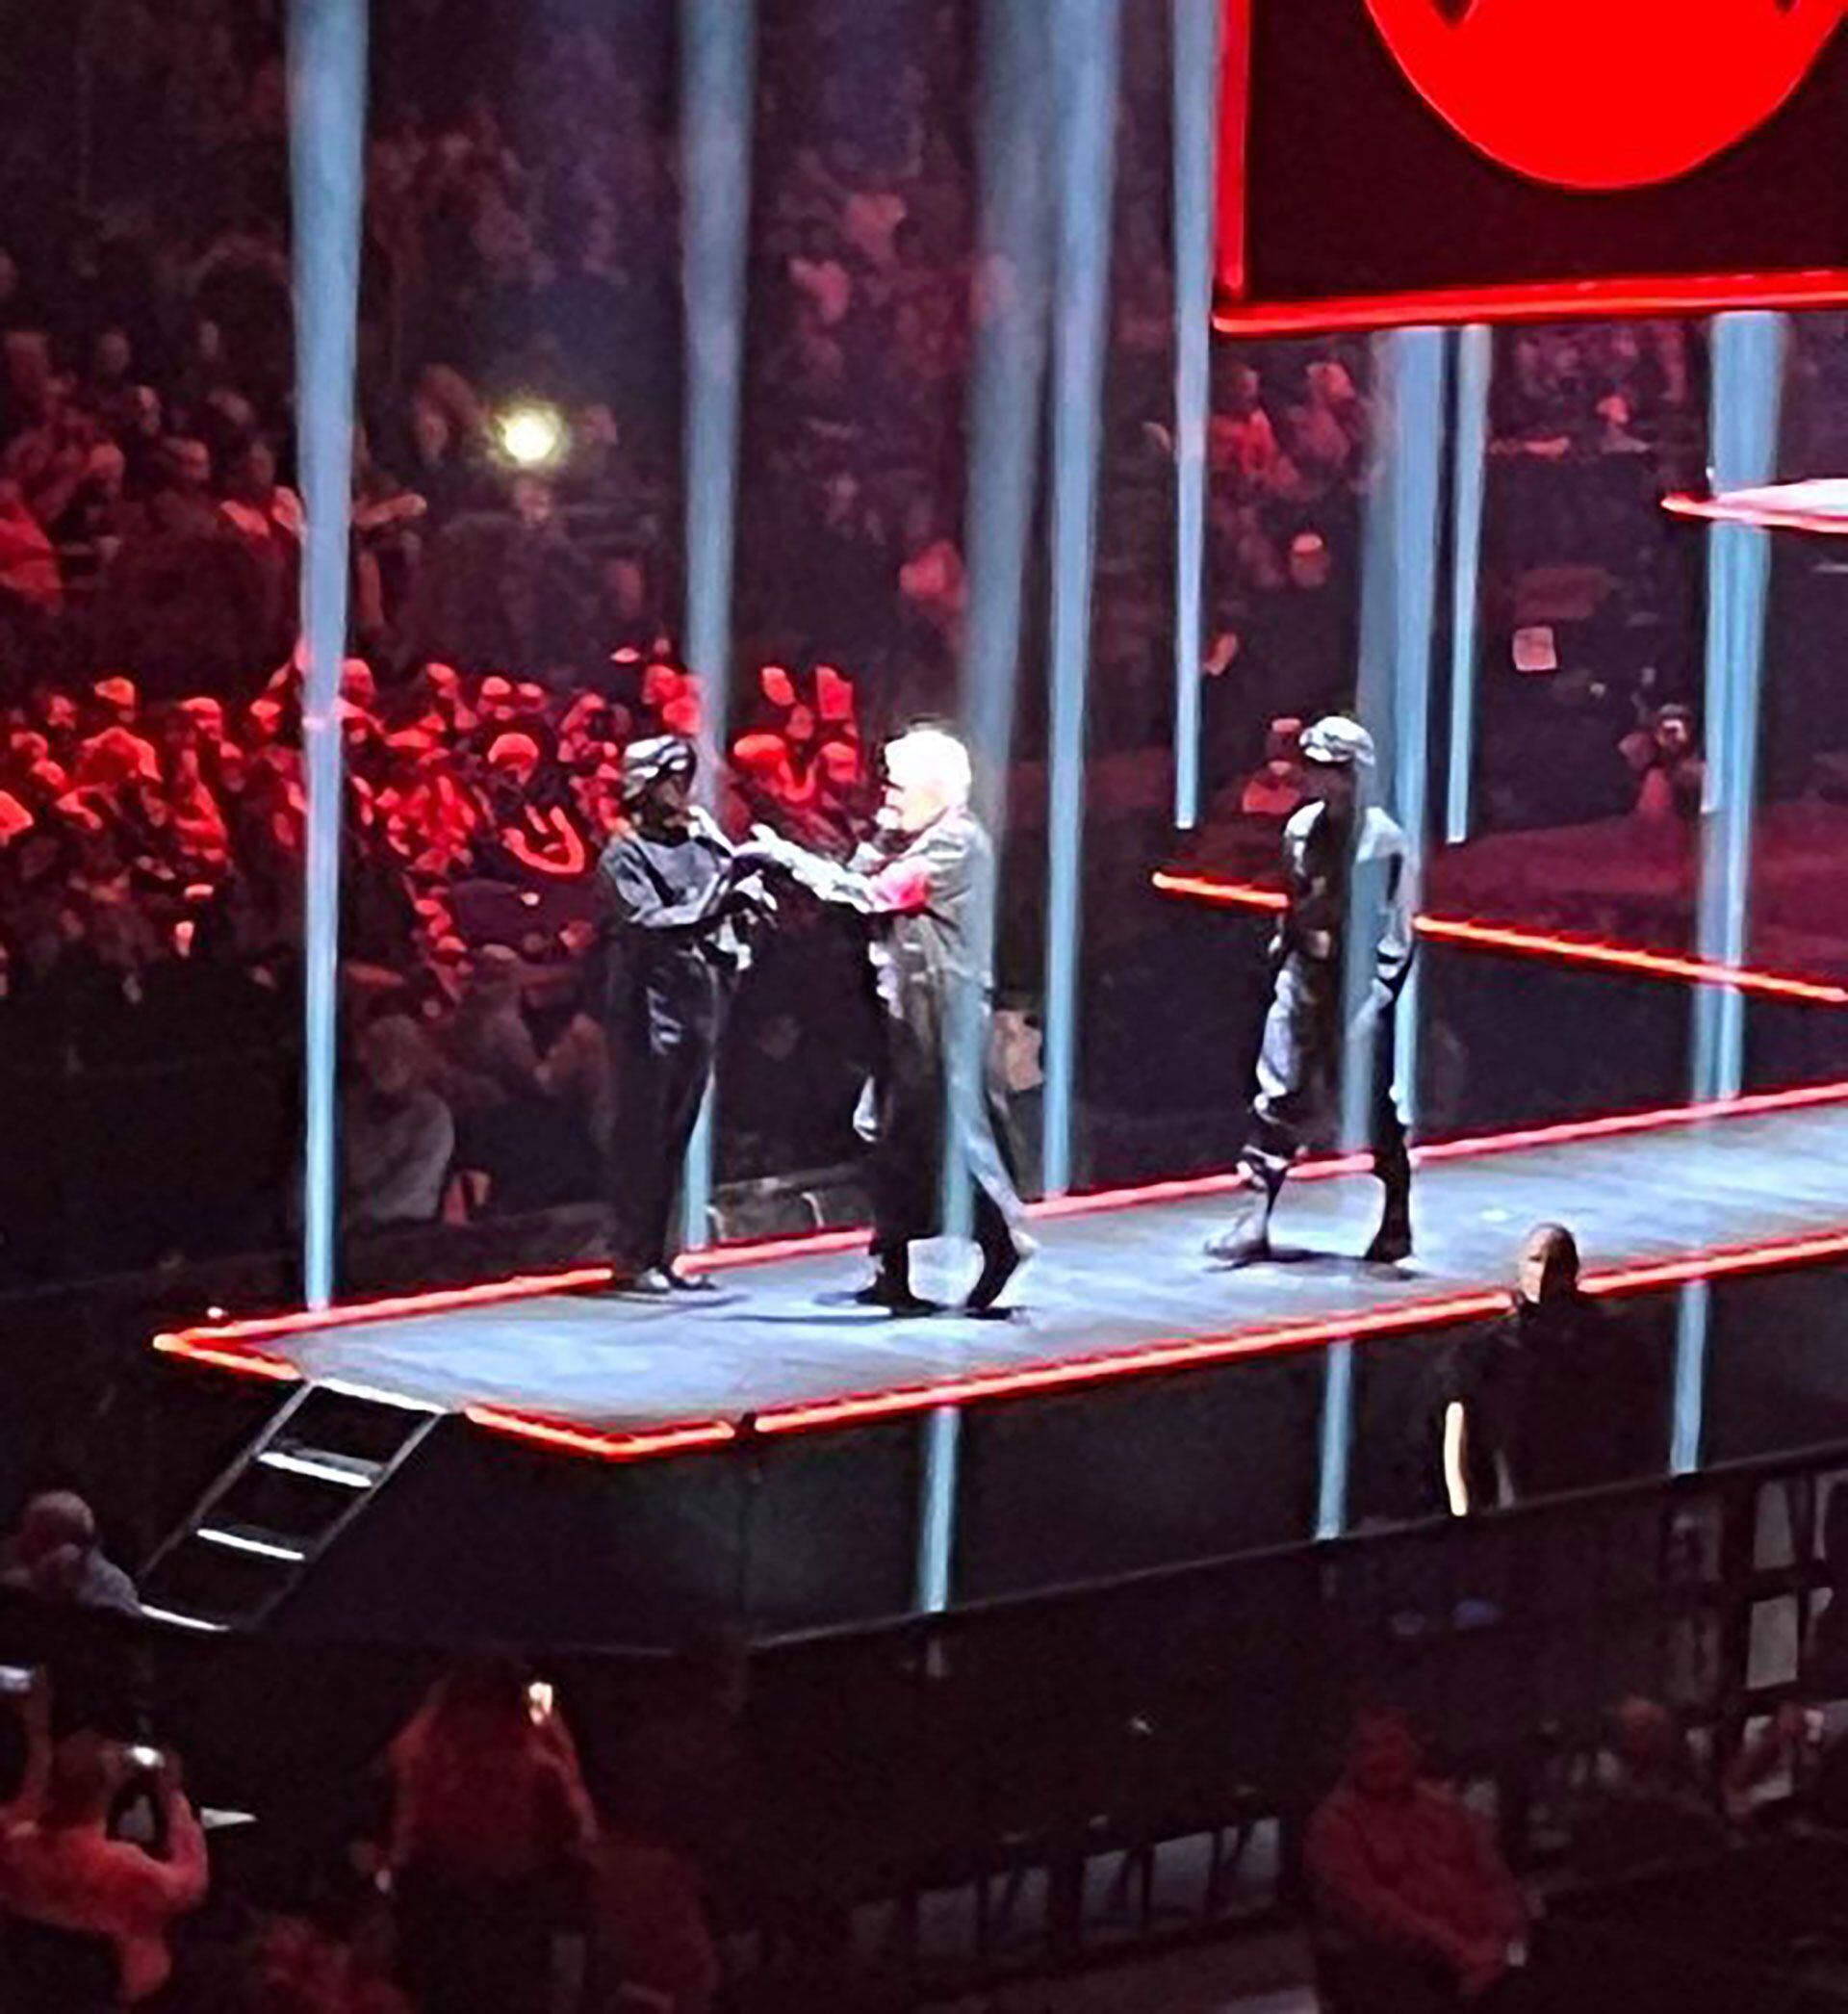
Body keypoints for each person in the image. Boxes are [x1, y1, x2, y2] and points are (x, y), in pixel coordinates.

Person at [745, 726, 1032, 1314]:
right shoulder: (903, 837)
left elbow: (874, 894)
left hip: (942, 1011)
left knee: (954, 1131)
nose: (888, 798)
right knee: (879, 1128)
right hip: (897, 1007)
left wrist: (788, 857)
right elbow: (860, 873)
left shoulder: (957, 844)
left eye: (899, 788)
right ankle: (892, 1266)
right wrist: (875, 835)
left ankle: (1002, 1239)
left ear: (936, 790)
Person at [1206, 715, 1416, 1267]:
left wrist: (1377, 996)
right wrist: (1284, 960)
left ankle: (1396, 1213)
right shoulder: (1301, 829)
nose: (1319, 779)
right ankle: (1255, 1214)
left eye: (1332, 770)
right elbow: (1294, 901)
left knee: (1371, 1103)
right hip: (1305, 976)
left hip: (1357, 987)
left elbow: (1397, 933)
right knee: (1278, 1092)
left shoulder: (1384, 842)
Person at [595, 736, 771, 1294]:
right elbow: (648, 923)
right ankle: (632, 1254)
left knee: (678, 1132)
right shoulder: (625, 855)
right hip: (648, 1010)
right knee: (643, 1133)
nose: (682, 793)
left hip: (699, 1000)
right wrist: (718, 902)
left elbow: (725, 891)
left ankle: (663, 1251)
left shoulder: (699, 840)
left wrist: (746, 896)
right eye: (671, 782)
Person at [382, 1654, 598, 2014]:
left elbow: (405, 1831)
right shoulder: (537, 1754)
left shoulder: (423, 1749)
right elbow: (576, 1831)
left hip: (441, 1909)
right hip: (508, 1908)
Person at [1306, 1710, 1529, 2014]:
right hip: (1395, 1967)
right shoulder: (1333, 1826)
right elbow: (1373, 1911)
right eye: (1368, 1747)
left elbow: (1494, 1877)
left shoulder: (1447, 1806)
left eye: (1391, 1743)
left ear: (1414, 1749)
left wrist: (1503, 1940)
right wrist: (1460, 1950)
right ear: (1350, 1758)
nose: (1381, 1756)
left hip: (1481, 1951)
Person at [1439, 1225, 1658, 1516]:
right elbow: (1458, 1435)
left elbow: (1640, 1419)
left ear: (1571, 1271)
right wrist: (1464, 1516)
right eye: (1535, 1261)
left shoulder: (1608, 1341)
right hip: (1517, 1510)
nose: (1542, 1274)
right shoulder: (1487, 1349)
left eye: (1554, 1265)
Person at [0, 1733, 209, 2006]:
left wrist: (38, 1737)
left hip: (25, 1988)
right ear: (106, 1791)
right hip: (112, 1995)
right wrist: (172, 1800)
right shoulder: (120, 1866)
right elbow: (191, 1887)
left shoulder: (16, 1847)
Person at [0, 1493, 141, 1616]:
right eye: (25, 1529)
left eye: (38, 1534)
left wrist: (60, 1593)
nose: (23, 1539)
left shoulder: (111, 1582)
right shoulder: (12, 1559)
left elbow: (121, 1631)